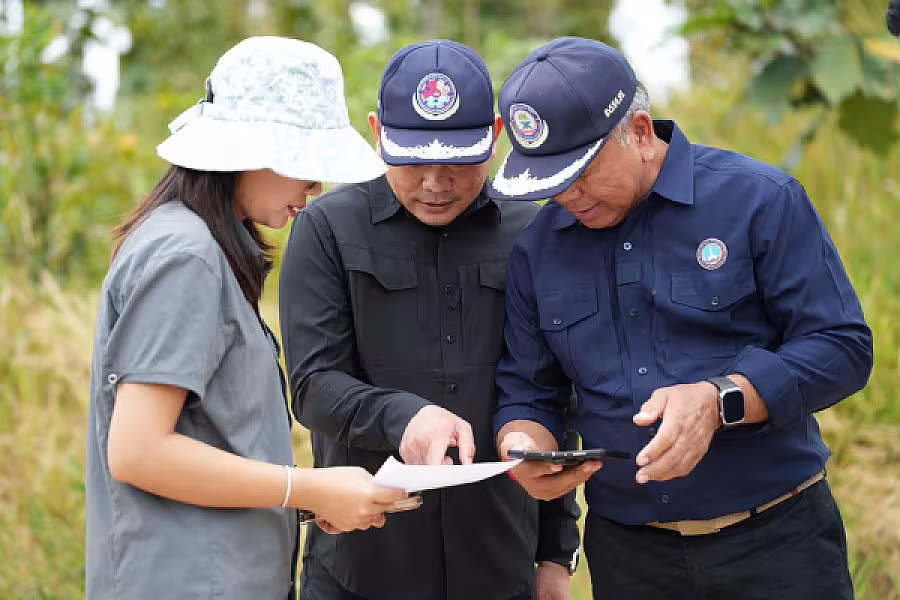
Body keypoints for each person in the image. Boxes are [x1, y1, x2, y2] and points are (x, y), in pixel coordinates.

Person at [489, 37, 873, 599]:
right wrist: (524, 442)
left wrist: (721, 401)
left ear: (640, 132)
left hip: (775, 544)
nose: (567, 194)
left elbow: (842, 348)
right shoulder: (537, 248)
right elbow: (529, 386)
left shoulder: (759, 200)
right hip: (629, 557)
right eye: (550, 179)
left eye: (581, 171)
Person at [85, 36, 410, 600]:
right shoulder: (184, 256)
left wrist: (309, 498)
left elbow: (209, 438)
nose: (315, 185)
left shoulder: (201, 246)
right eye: (305, 162)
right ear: (249, 151)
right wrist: (301, 486)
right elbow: (139, 450)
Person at [279, 39, 580, 600]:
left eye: (457, 162)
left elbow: (552, 394)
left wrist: (556, 554)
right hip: (360, 569)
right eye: (413, 160)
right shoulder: (326, 230)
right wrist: (403, 418)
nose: (435, 183)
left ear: (494, 135)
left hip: (499, 566)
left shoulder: (535, 233)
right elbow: (313, 386)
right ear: (376, 131)